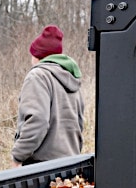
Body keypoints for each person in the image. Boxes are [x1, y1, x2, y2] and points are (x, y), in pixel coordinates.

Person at [11, 25, 84, 167]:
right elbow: (79, 123)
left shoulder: (37, 76)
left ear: (37, 55)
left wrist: (18, 156)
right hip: (70, 163)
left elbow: (37, 121)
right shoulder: (72, 78)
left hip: (41, 168)